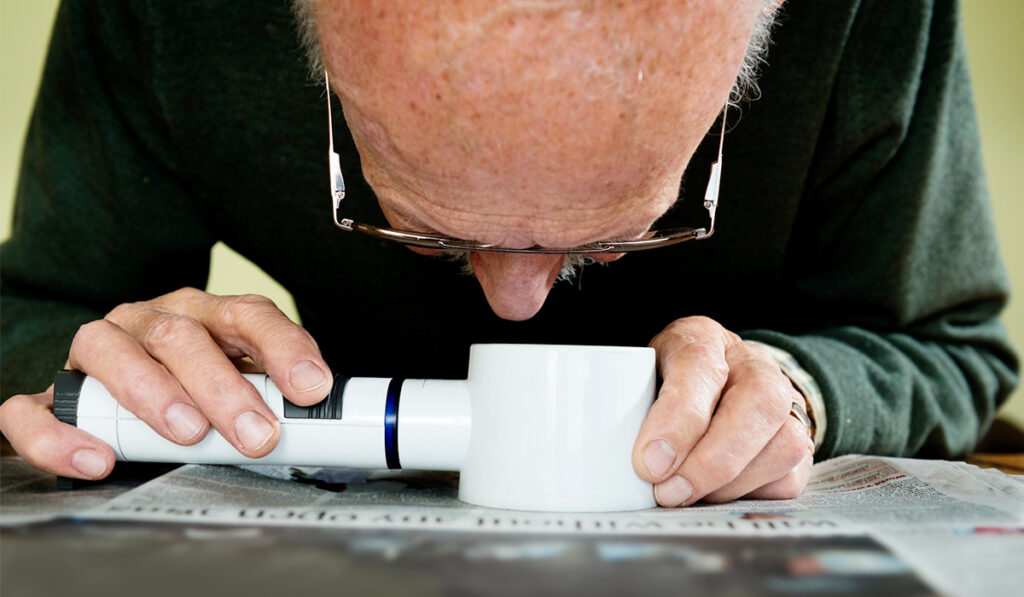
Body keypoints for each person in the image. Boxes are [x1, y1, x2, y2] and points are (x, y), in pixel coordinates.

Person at [0, 0, 1017, 507]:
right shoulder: (172, 17)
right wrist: (110, 359)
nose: (514, 311)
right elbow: (35, 308)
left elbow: (949, 343)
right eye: (431, 230)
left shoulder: (871, 18)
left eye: (616, 236)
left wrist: (800, 392)